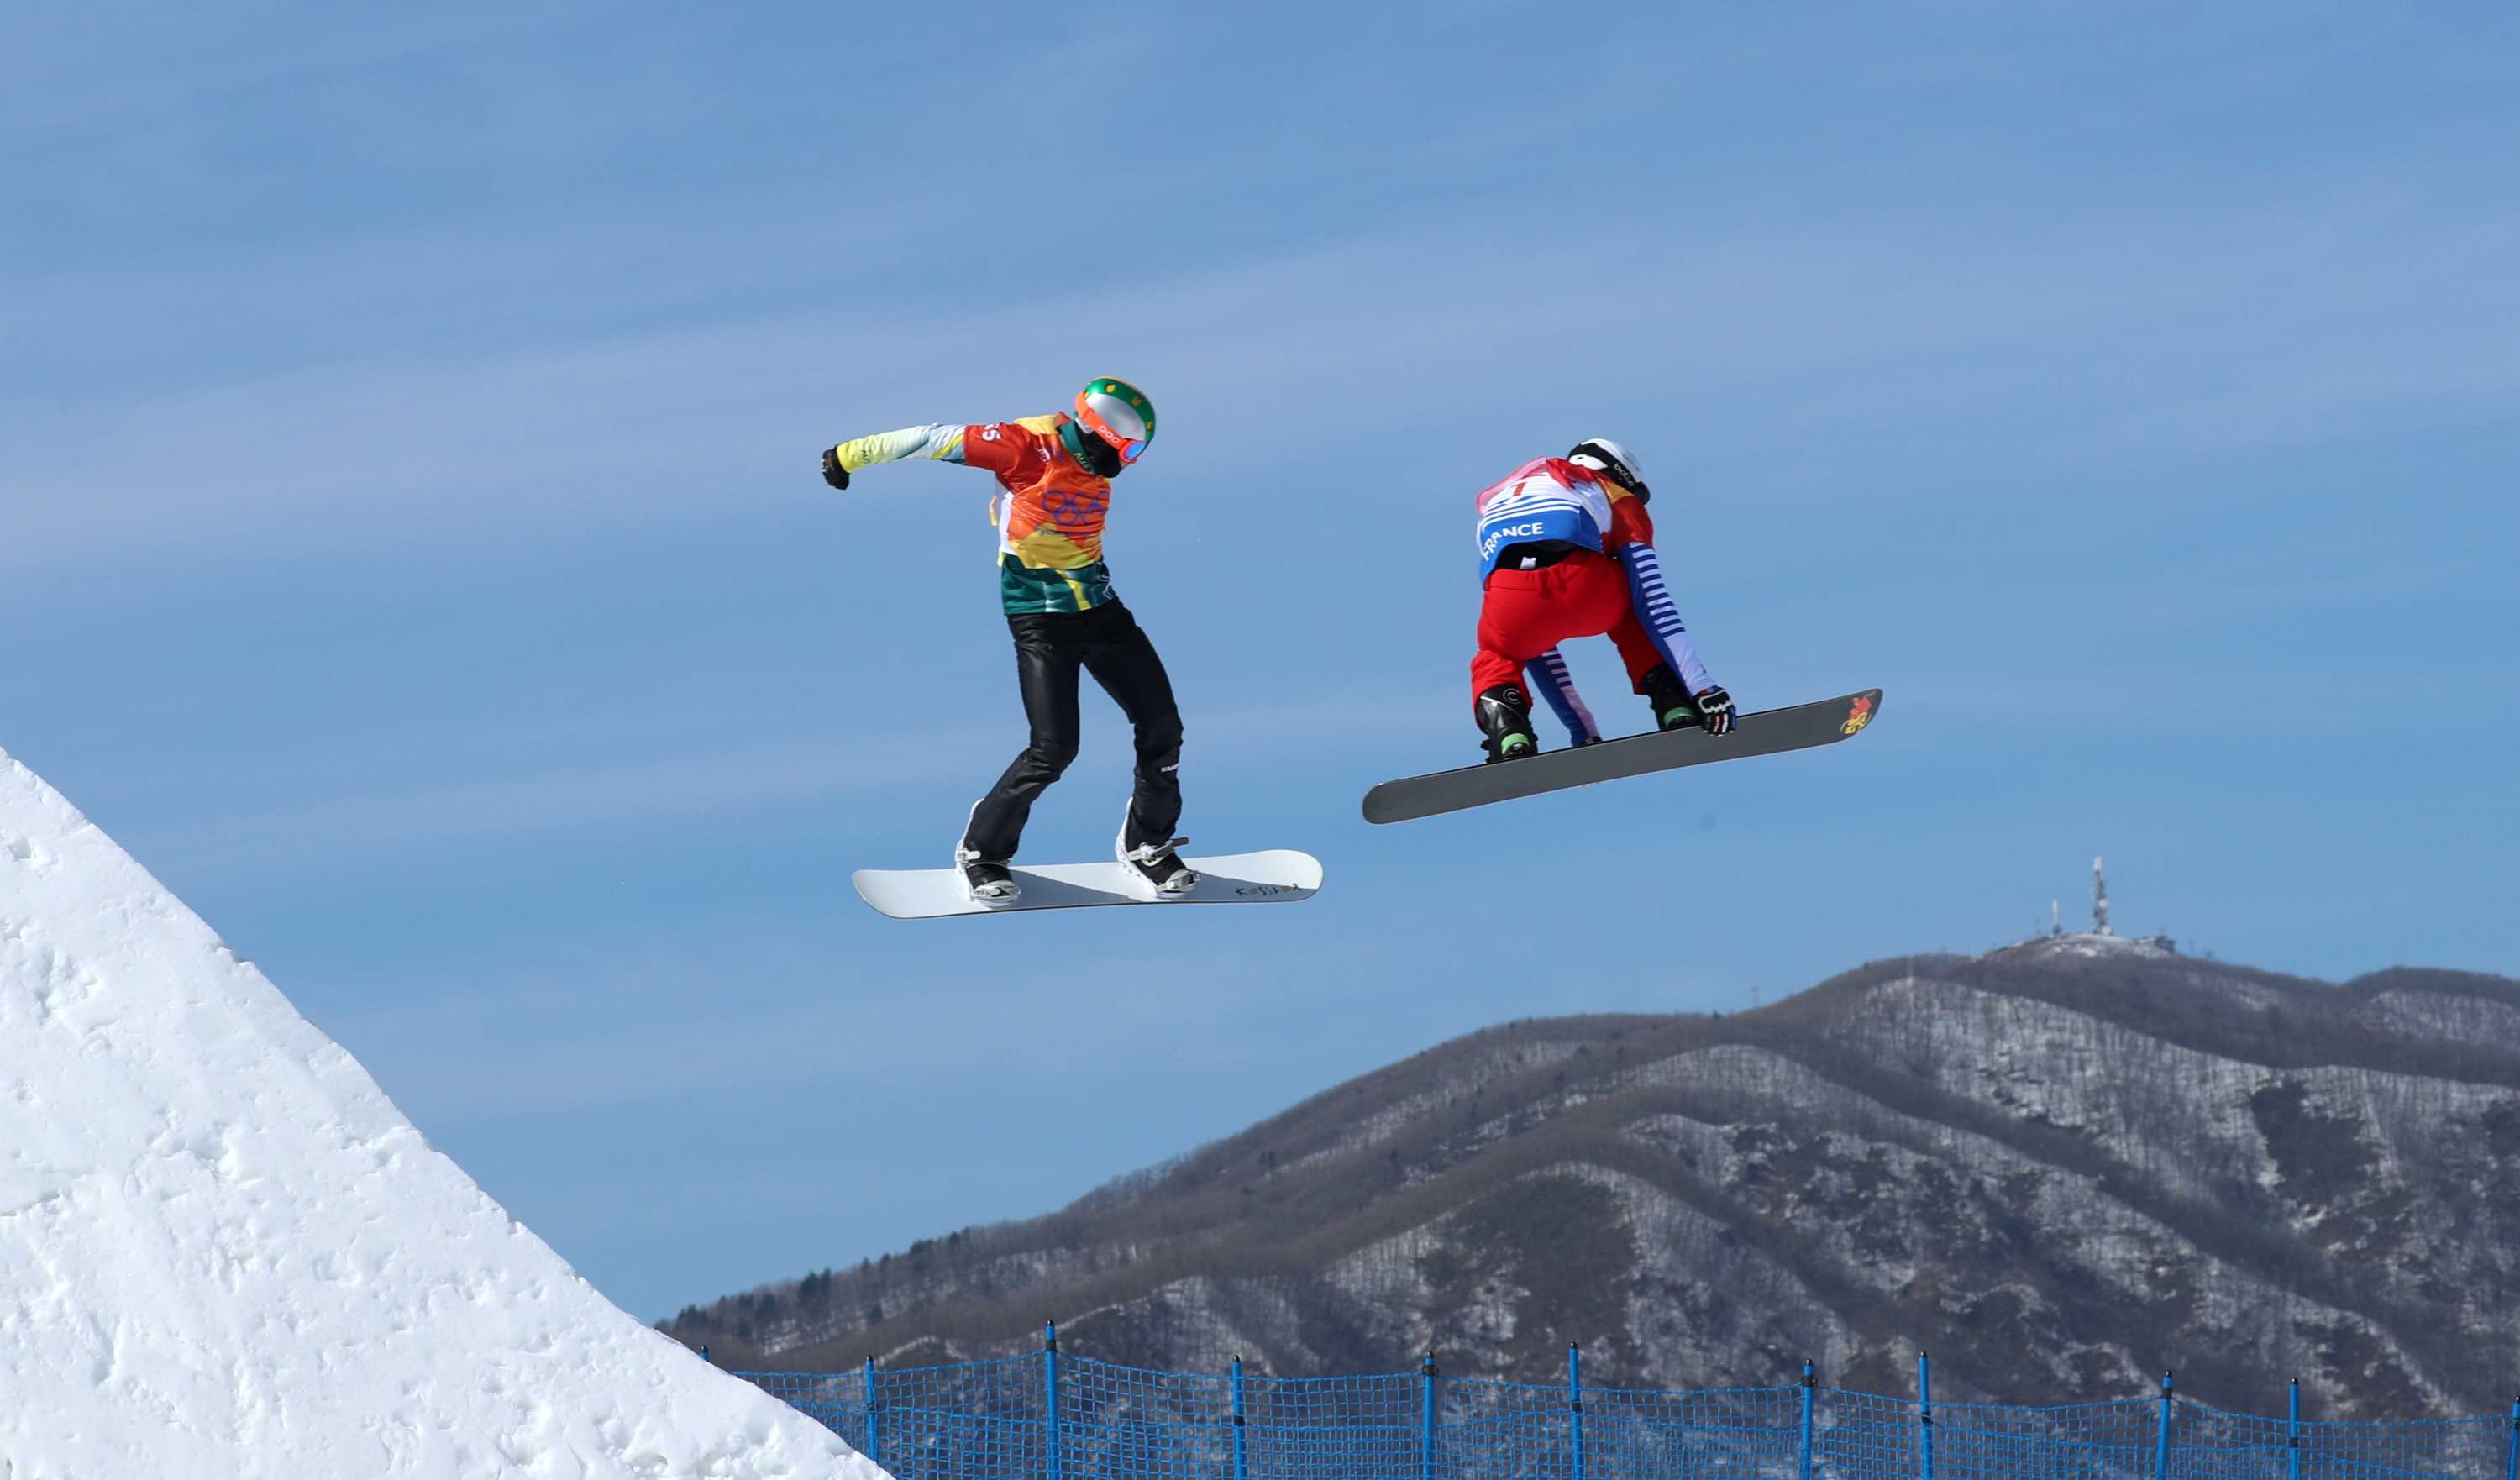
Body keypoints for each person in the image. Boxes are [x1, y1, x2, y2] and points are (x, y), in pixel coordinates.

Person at [821, 378, 1194, 905]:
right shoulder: (1024, 447)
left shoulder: (1089, 462)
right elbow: (932, 437)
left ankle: (1147, 845)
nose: (1130, 463)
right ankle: (983, 852)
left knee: (1163, 728)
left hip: (1103, 613)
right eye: (1128, 449)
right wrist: (846, 457)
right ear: (1098, 434)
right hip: (1040, 621)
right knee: (1054, 750)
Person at [1469, 438, 1735, 761]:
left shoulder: (1505, 496)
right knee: (1635, 607)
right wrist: (1702, 687)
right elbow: (1651, 595)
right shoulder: (1614, 492)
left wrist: (1582, 730)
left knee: (1499, 652)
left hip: (1510, 601)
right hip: (1586, 587)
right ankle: (1673, 704)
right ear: (1619, 474)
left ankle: (1509, 731)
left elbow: (1538, 639)